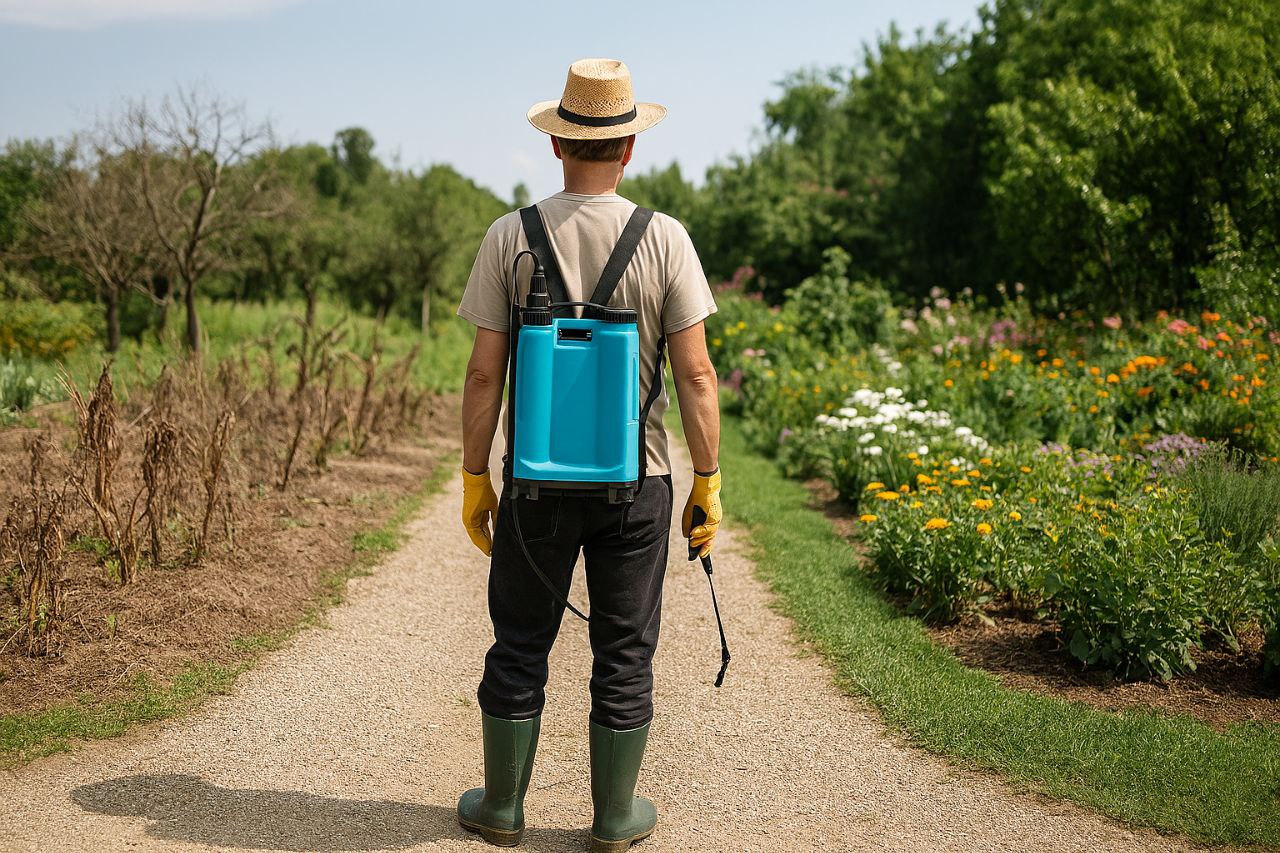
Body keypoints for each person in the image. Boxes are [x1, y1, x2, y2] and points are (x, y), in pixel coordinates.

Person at [453, 58, 722, 851]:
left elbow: (481, 373)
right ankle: (612, 818)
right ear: (630, 148)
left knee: (520, 640)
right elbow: (697, 373)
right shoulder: (665, 239)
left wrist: (477, 477)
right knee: (624, 646)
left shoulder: (510, 235)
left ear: (557, 145)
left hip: (534, 484)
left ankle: (501, 808)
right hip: (637, 483)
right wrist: (706, 480)